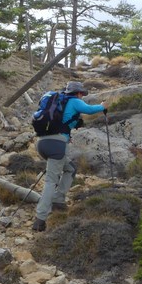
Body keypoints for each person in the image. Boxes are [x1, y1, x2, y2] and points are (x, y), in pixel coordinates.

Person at [32, 81, 106, 232]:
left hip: (42, 143)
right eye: (81, 94)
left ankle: (58, 201)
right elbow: (89, 110)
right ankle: (40, 219)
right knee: (51, 181)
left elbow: (63, 124)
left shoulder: (61, 102)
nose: (82, 96)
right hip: (56, 146)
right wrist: (102, 106)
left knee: (70, 169)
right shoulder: (74, 101)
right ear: (78, 93)